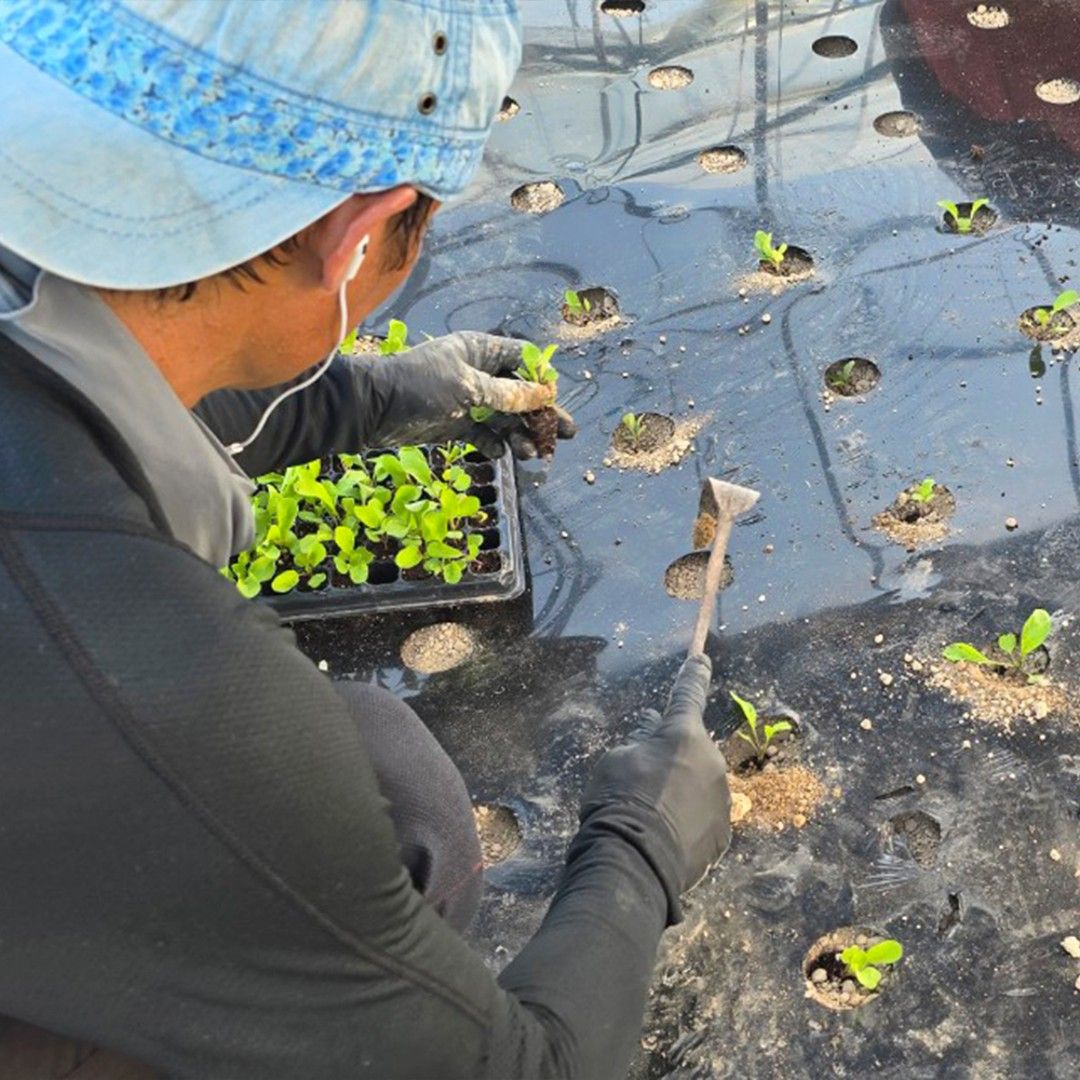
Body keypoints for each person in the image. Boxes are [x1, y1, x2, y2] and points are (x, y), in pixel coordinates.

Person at [0, 3, 731, 1077]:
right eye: (418, 229)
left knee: (383, 765)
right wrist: (644, 841)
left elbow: (150, 380)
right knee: (395, 808)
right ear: (356, 236)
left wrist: (389, 391)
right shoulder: (153, 683)